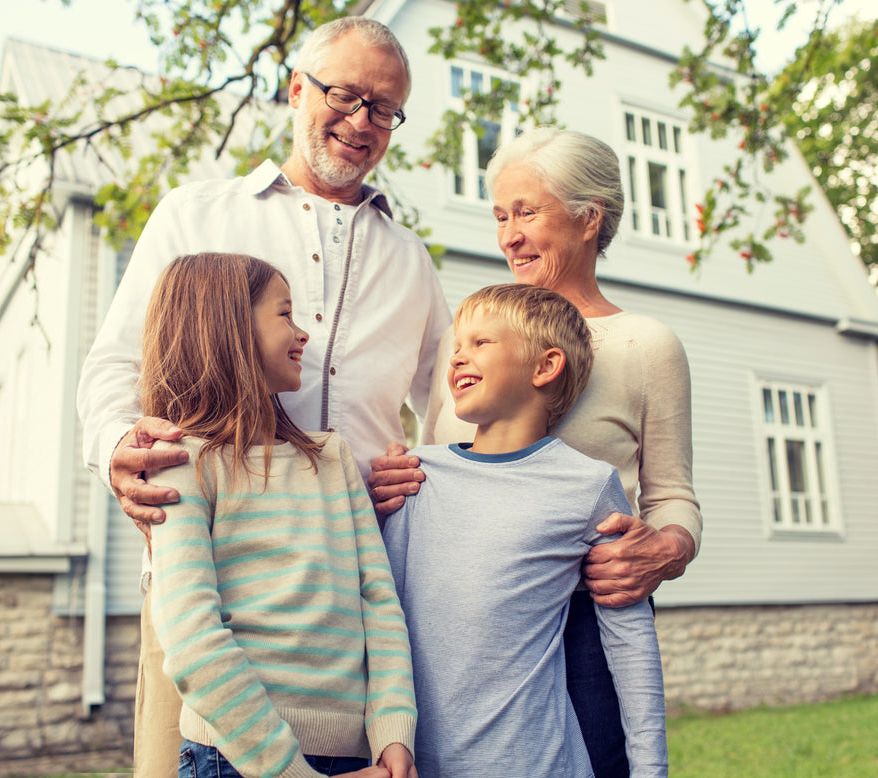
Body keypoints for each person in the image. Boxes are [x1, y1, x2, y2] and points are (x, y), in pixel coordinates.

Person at [75, 17, 450, 778]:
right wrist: (121, 446)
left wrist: (423, 478)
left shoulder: (410, 258)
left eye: (385, 110)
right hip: (206, 578)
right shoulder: (195, 213)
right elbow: (116, 363)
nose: (362, 123)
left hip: (349, 604)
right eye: (345, 96)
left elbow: (453, 408)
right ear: (295, 90)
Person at [369, 127, 701, 778]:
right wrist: (394, 480)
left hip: (584, 617)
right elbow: (438, 455)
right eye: (500, 216)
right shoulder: (472, 343)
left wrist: (667, 549)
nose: (509, 236)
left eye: (526, 212)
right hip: (458, 623)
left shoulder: (644, 346)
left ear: (588, 218)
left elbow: (673, 496)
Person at [142, 252, 416, 778]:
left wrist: (392, 732)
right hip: (234, 758)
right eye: (285, 314)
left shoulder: (331, 458)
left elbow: (378, 602)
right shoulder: (181, 465)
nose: (301, 333)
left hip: (360, 759)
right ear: (226, 327)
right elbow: (191, 636)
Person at [382, 283, 667, 778]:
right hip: (417, 765)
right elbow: (379, 618)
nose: (457, 360)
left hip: (540, 762)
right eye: (455, 348)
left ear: (544, 367)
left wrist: (650, 770)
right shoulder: (413, 477)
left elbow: (631, 644)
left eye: (480, 343)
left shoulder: (587, 486)